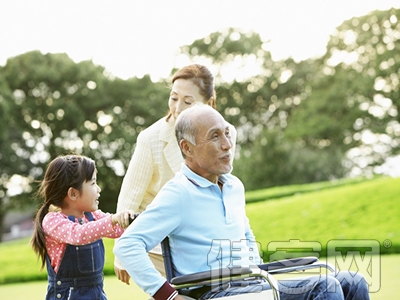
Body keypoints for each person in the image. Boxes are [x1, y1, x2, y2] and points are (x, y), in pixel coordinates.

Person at [114, 104, 370, 300]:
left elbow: (245, 234)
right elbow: (127, 245)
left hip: (251, 283)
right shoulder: (178, 193)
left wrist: (257, 270)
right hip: (215, 292)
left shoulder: (234, 185)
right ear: (187, 148)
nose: (227, 145)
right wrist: (167, 295)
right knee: (325, 286)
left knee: (354, 281)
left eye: (227, 134)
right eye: (215, 137)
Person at [114, 64, 237, 284]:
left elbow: (220, 188)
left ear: (208, 103)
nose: (178, 108)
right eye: (173, 98)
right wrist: (122, 256)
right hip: (157, 237)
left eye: (188, 102)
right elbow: (128, 200)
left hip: (200, 235)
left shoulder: (227, 132)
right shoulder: (150, 138)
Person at [30, 154, 136, 300]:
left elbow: (118, 230)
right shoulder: (53, 220)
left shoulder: (93, 216)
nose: (98, 189)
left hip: (97, 295)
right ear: (73, 193)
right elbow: (78, 234)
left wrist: (130, 220)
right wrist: (112, 219)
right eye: (93, 183)